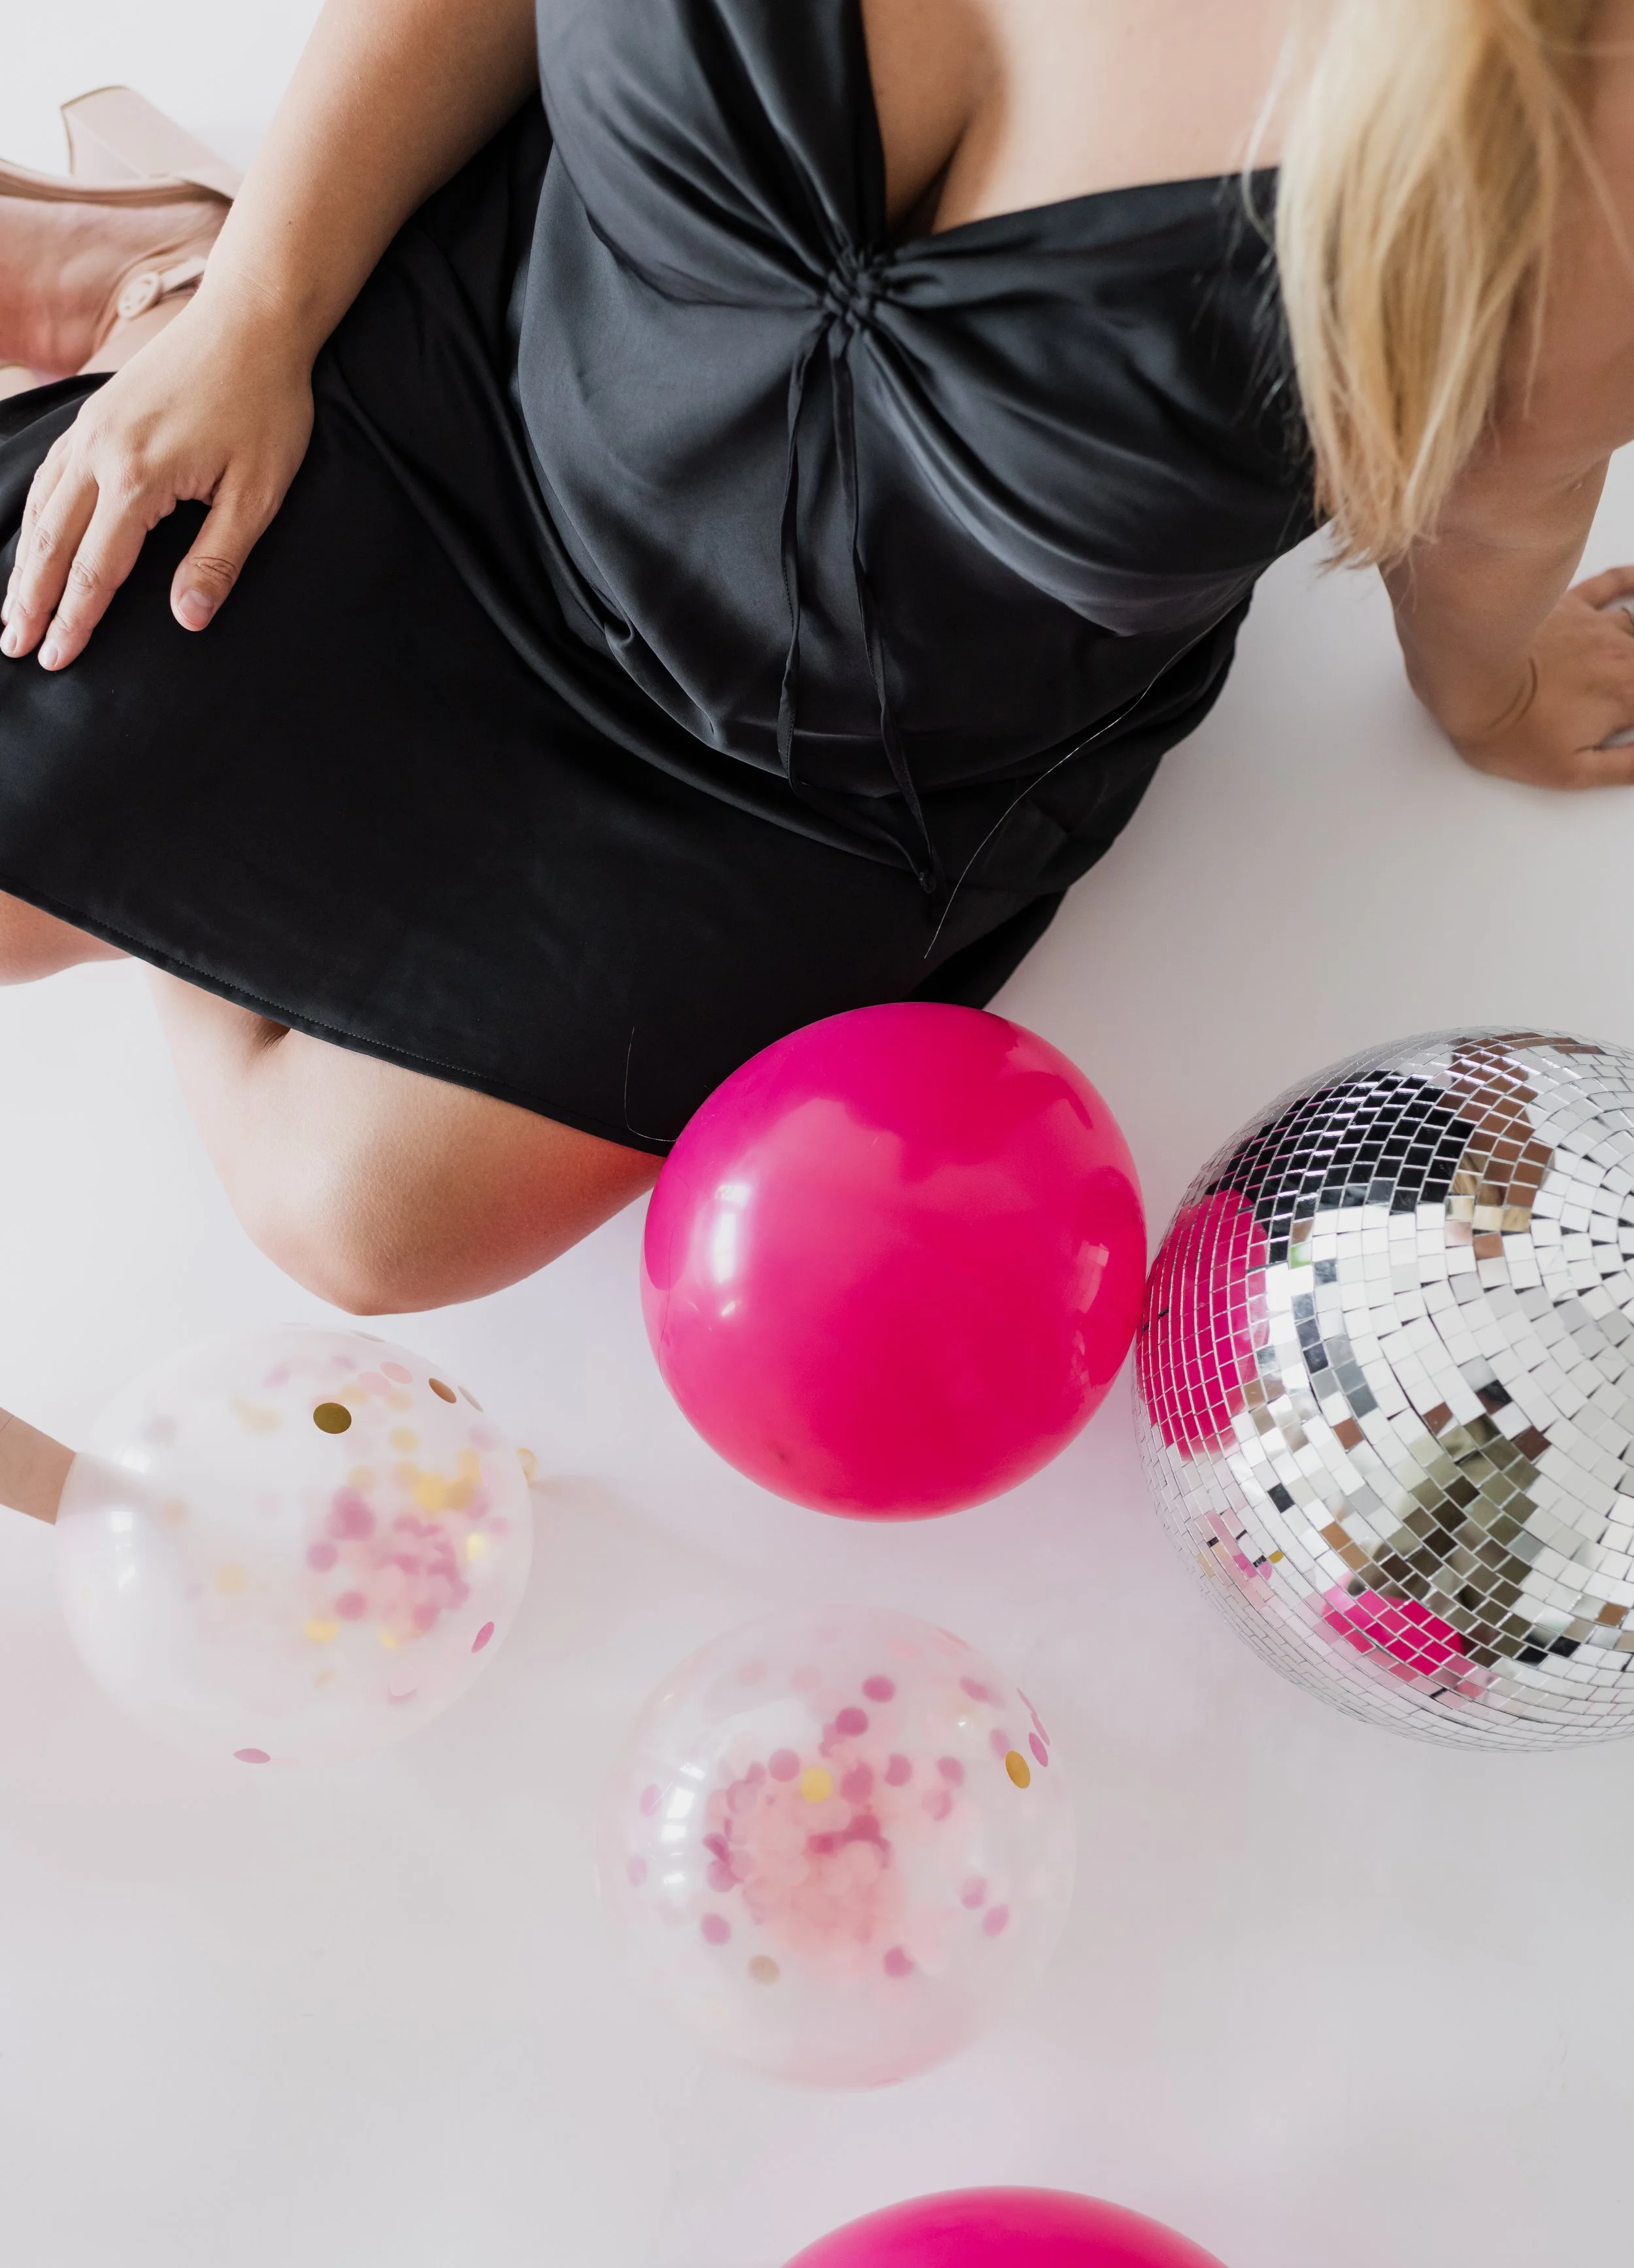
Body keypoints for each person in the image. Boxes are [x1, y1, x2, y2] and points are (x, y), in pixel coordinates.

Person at [1, 0, 1632, 1321]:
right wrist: (265, 315)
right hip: (463, 359)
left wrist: (1486, 694)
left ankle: (154, 285)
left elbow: (1493, 516)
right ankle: (199, 281)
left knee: (358, 1224)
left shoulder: (1575, 139)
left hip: (807, 767)